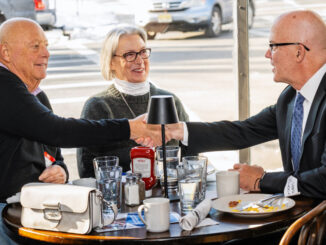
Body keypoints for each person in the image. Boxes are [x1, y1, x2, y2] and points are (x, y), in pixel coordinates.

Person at [166, 10, 326, 199]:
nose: (267, 54)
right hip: (301, 218)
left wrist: (262, 180)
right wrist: (176, 131)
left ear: (299, 52)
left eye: (273, 46)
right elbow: (243, 131)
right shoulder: (290, 98)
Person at [77, 24, 189, 175]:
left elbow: (190, 157)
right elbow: (87, 171)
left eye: (143, 52)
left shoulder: (170, 101)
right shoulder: (99, 106)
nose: (140, 60)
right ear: (111, 62)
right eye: (130, 54)